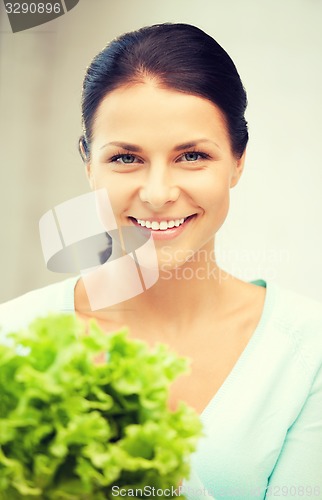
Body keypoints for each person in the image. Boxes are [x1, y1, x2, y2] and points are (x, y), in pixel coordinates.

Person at [1, 23, 322, 499]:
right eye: (126, 159)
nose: (157, 193)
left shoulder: (306, 348)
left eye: (191, 155)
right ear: (88, 164)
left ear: (238, 160)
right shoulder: (12, 337)